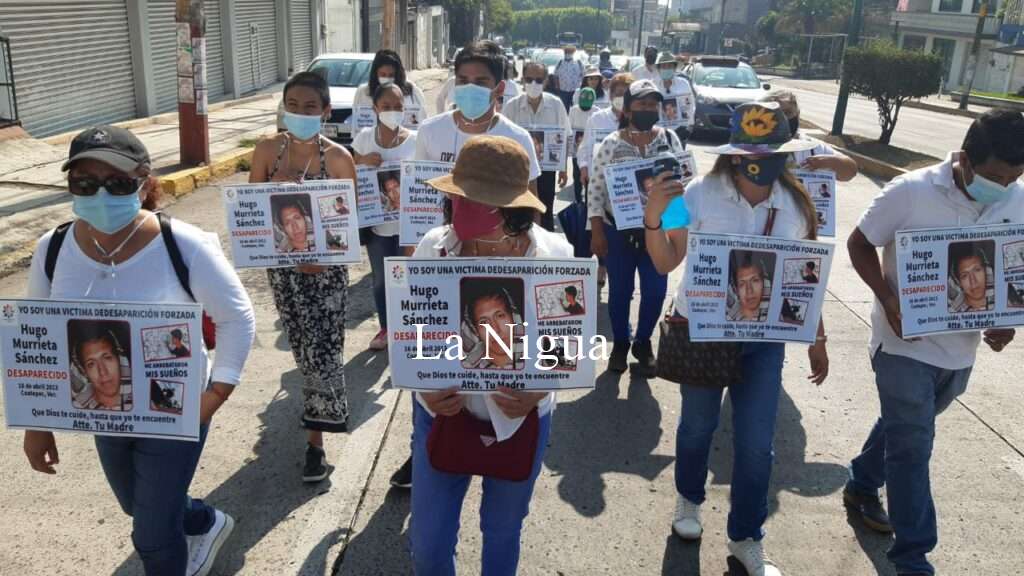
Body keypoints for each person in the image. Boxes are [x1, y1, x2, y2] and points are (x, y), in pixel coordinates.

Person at [23, 125, 256, 576]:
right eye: (85, 184)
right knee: (137, 503)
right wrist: (37, 424)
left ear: (145, 181)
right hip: (105, 408)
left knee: (151, 534)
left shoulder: (183, 244)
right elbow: (36, 337)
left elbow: (237, 317)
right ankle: (205, 521)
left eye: (117, 182)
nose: (101, 194)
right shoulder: (51, 250)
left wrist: (215, 395)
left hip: (175, 410)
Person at [644, 102, 829, 576]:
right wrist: (653, 215)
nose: (761, 161)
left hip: (763, 341)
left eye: (771, 151)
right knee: (696, 428)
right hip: (704, 333)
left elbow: (803, 277)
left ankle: (747, 536)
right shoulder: (696, 194)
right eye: (752, 151)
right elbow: (666, 262)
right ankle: (688, 500)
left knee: (756, 444)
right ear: (732, 153)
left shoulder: (798, 202)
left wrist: (816, 333)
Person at [843, 109, 1024, 576]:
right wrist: (887, 298)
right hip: (903, 344)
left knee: (907, 428)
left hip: (960, 350)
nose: (1003, 186)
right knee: (913, 444)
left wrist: (1003, 320)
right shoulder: (911, 192)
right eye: (995, 176)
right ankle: (913, 555)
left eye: (1015, 176)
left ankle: (862, 480)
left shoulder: (1016, 201)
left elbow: (1007, 271)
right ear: (965, 159)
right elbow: (859, 244)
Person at [409, 135, 572, 575]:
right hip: (442, 413)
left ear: (514, 213)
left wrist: (539, 391)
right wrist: (425, 390)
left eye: (482, 203)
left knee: (502, 534)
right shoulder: (434, 249)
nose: (465, 211)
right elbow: (413, 333)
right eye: (461, 199)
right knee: (427, 544)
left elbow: (566, 345)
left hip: (522, 418)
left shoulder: (555, 256)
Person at [393, 39, 542, 490]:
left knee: (496, 374)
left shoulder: (517, 138)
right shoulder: (432, 132)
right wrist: (416, 268)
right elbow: (420, 200)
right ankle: (423, 448)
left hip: (499, 265)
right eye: (462, 81)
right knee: (438, 376)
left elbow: (529, 210)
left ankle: (499, 444)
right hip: (444, 261)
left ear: (499, 88)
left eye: (481, 82)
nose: (470, 89)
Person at [250, 71, 358, 483]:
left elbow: (347, 227)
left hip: (326, 275)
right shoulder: (265, 151)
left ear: (326, 111)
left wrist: (321, 260)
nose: (299, 113)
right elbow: (250, 219)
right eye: (292, 105)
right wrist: (271, 190)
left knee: (325, 353)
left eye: (310, 106)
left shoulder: (338, 159)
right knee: (302, 349)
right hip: (284, 275)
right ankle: (314, 419)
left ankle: (318, 441)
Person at [588, 79, 685, 376]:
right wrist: (596, 230)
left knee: (656, 291)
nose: (648, 109)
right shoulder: (612, 144)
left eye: (653, 104)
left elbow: (682, 186)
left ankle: (643, 342)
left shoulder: (669, 139)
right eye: (642, 104)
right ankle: (620, 343)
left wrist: (679, 233)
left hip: (658, 231)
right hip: (619, 232)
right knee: (620, 291)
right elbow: (595, 189)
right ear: (628, 108)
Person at [353, 82, 418, 351]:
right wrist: (363, 161)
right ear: (375, 108)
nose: (393, 111)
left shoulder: (416, 140)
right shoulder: (364, 139)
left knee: (406, 276)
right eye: (387, 106)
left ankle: (408, 327)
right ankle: (386, 328)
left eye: (398, 106)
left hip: (409, 224)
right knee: (381, 279)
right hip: (377, 225)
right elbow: (350, 175)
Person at [579, 72, 634, 289]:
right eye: (616, 93)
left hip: (626, 189)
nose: (620, 97)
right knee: (597, 226)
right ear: (610, 95)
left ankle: (619, 275)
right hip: (598, 186)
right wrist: (583, 168)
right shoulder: (597, 118)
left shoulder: (635, 121)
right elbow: (584, 147)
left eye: (624, 93)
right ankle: (601, 264)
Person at [504, 61, 571, 231]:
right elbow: (503, 138)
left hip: (547, 169)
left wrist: (563, 168)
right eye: (529, 79)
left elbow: (566, 135)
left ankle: (544, 250)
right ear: (523, 79)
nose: (534, 84)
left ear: (546, 81)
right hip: (517, 170)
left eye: (539, 80)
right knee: (518, 209)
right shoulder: (512, 106)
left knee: (545, 208)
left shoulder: (556, 104)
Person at [760, 89, 858, 182]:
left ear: (797, 114)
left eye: (788, 113)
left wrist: (830, 162)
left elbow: (850, 171)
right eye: (775, 114)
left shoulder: (812, 148)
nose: (783, 118)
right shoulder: (754, 150)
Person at [352, 49, 428, 130]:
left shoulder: (413, 92)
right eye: (383, 74)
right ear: (375, 73)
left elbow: (424, 125)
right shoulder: (363, 92)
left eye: (391, 75)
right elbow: (355, 128)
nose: (387, 78)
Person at [71, 322, 133, 411]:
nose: (102, 371)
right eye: (91, 364)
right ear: (83, 371)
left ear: (120, 359)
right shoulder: (75, 408)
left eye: (107, 358)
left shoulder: (144, 401)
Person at [462, 283, 525, 370]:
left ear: (513, 317)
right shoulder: (466, 368)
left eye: (500, 316)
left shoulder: (539, 357)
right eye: (484, 322)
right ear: (476, 331)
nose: (495, 330)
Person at [652, 52, 695, 144]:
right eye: (663, 66)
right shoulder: (652, 85)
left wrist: (689, 126)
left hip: (680, 131)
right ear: (659, 68)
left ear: (674, 68)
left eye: (669, 66)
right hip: (657, 133)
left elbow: (690, 106)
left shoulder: (683, 84)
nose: (666, 69)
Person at [569, 87, 598, 204]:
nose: (584, 108)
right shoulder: (574, 110)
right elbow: (569, 129)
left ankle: (588, 199)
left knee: (589, 176)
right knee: (576, 174)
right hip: (576, 148)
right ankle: (578, 199)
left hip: (590, 150)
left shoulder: (596, 111)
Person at [727, 251, 771, 322]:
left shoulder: (776, 317)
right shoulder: (726, 319)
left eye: (755, 280)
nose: (749, 290)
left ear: (764, 283)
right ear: (736, 290)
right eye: (742, 284)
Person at [949, 243, 993, 312]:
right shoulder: (953, 311)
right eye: (964, 276)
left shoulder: (1004, 297)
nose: (973, 281)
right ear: (959, 282)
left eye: (977, 270)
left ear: (985, 271)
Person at [552, 44, 584, 111]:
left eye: (570, 52)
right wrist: (557, 86)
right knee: (564, 109)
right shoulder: (560, 62)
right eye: (567, 52)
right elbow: (555, 75)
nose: (568, 54)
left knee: (575, 109)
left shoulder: (578, 63)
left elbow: (583, 75)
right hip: (563, 91)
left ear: (573, 52)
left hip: (575, 91)